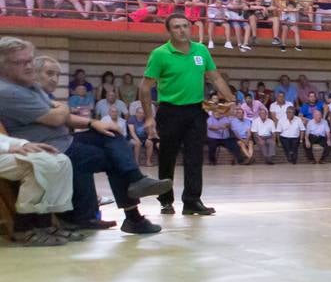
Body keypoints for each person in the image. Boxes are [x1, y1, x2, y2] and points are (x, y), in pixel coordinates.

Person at [0, 40, 170, 234]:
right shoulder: (8, 91)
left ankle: (135, 184)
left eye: (30, 60)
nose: (29, 66)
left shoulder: (27, 85)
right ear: (3, 65)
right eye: (21, 62)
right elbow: (57, 117)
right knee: (113, 158)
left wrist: (92, 122)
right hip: (49, 148)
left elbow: (62, 115)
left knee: (111, 133)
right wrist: (63, 107)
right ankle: (133, 212)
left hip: (64, 140)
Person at [140, 14, 236, 215]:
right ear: (169, 30)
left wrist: (230, 100)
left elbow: (215, 77)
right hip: (169, 111)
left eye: (185, 26)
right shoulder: (160, 54)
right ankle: (166, 200)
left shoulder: (200, 50)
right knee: (168, 158)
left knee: (194, 157)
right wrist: (149, 117)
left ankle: (192, 201)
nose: (182, 30)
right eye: (176, 27)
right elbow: (145, 87)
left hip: (196, 111)